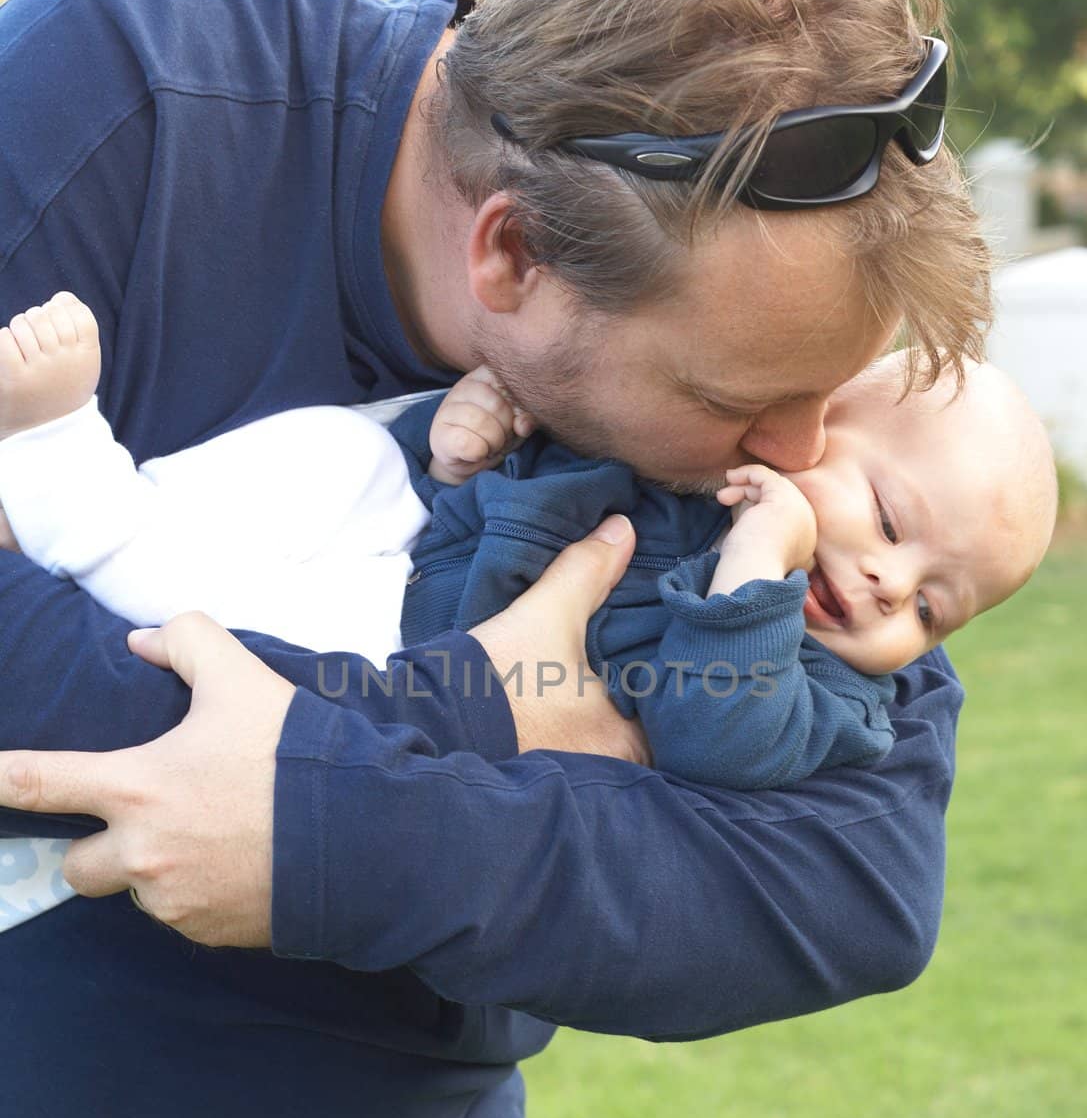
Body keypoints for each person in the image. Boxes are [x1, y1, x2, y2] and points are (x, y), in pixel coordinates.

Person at [0, 0, 993, 1118]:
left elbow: (839, 882)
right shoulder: (125, 96)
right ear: (511, 254)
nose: (804, 465)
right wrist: (479, 714)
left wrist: (329, 831)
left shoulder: (759, 361)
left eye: (832, 396)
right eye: (745, 397)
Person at [0, 298, 1056, 869]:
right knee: (323, 450)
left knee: (238, 617)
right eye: (891, 524)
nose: (884, 585)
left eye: (931, 605)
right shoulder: (693, 457)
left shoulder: (827, 703)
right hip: (419, 522)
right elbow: (578, 423)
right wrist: (484, 421)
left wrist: (752, 572)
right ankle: (106, 501)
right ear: (809, 426)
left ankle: (67, 486)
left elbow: (716, 740)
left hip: (410, 659)